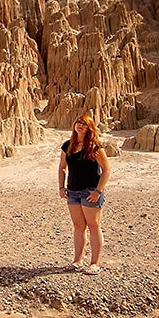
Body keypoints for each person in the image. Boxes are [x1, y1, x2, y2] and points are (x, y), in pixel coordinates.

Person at [57, 115, 111, 275]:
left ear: (90, 129)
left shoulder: (94, 147)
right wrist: (61, 186)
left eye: (84, 124)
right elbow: (62, 167)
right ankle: (77, 261)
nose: (80, 126)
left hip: (90, 191)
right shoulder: (68, 145)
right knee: (78, 226)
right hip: (72, 191)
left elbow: (106, 170)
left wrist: (98, 191)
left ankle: (94, 263)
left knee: (93, 226)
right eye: (78, 122)